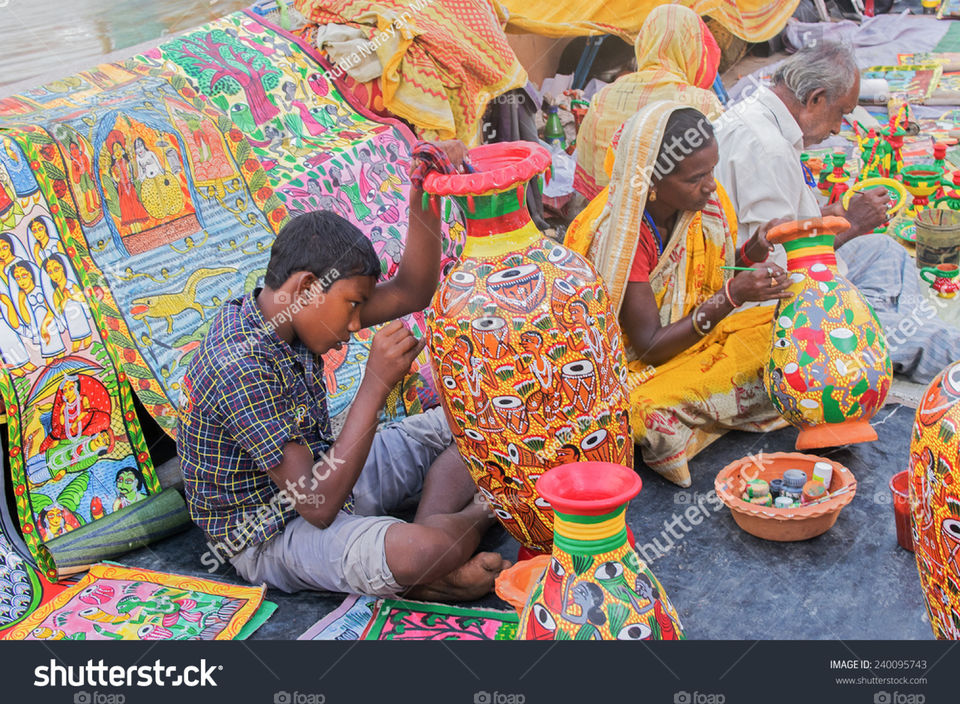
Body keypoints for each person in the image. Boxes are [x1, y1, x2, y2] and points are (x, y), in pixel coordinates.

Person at [178, 140, 510, 600]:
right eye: (352, 307)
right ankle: (470, 522)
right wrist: (375, 385)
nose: (355, 326)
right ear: (308, 287)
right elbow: (318, 506)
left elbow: (412, 290)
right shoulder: (240, 365)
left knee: (477, 421)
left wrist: (424, 198)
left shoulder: (291, 313)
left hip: (326, 470)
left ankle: (429, 559)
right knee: (425, 547)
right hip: (272, 531)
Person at [565, 103, 790, 487]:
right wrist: (733, 296)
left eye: (712, 170)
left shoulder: (702, 203)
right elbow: (649, 346)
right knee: (648, 413)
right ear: (652, 183)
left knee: (788, 331)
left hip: (692, 342)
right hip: (637, 367)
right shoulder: (621, 235)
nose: (710, 185)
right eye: (696, 177)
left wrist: (757, 246)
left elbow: (712, 272)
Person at [715, 40, 960, 383]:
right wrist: (852, 224)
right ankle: (881, 327)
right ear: (815, 99)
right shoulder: (765, 148)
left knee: (885, 251)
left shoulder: (759, 114)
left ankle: (881, 316)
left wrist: (828, 214)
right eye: (841, 114)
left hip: (800, 274)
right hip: (777, 306)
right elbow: (783, 270)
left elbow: (779, 220)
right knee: (932, 340)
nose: (836, 130)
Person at [574, 5, 723, 201]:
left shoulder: (603, 96)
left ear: (644, 42)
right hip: (673, 214)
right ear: (693, 47)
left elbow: (589, 175)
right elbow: (715, 183)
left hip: (606, 212)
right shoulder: (703, 103)